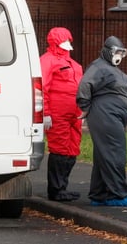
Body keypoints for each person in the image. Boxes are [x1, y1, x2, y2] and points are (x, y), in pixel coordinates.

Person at [76, 36, 127, 207]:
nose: (118, 56)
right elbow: (85, 85)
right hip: (105, 115)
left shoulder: (108, 68)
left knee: (104, 154)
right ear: (107, 52)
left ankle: (99, 194)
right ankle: (117, 194)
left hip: (112, 115)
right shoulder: (98, 67)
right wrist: (85, 106)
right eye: (116, 52)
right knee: (114, 152)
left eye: (121, 53)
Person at [40, 27, 83, 201]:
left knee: (72, 149)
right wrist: (46, 113)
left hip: (75, 113)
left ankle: (62, 187)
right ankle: (56, 190)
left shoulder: (72, 63)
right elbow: (42, 87)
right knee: (59, 149)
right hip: (58, 113)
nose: (68, 43)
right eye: (64, 40)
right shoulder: (47, 61)